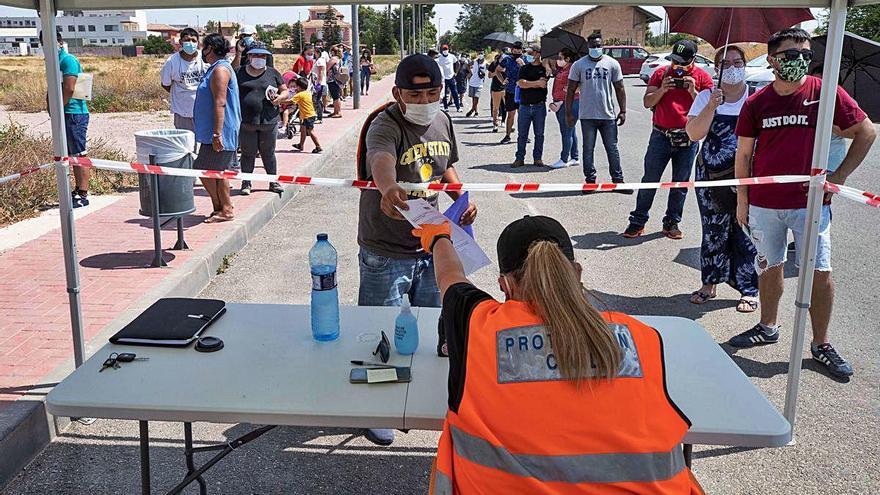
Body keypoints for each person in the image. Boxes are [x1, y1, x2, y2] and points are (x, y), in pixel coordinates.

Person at [415, 215, 704, 495]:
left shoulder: (476, 327)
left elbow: (450, 276)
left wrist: (440, 237)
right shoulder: (640, 337)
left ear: (505, 285)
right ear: (576, 272)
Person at [731, 28, 876, 378]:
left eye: (806, 55)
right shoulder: (757, 102)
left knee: (820, 272)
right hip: (765, 205)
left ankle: (821, 344)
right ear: (772, 60)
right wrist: (743, 200)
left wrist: (838, 178)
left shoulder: (825, 94)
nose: (800, 61)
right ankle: (768, 327)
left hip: (811, 205)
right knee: (769, 267)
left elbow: (866, 131)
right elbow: (745, 155)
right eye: (791, 54)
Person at [356, 54, 477, 446]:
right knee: (382, 334)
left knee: (433, 330)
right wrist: (388, 186)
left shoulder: (442, 119)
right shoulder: (385, 124)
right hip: (386, 248)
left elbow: (445, 167)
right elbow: (381, 158)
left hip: (430, 243)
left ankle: (425, 400)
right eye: (415, 93)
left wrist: (461, 194)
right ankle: (378, 409)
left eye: (432, 91)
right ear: (397, 93)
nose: (424, 99)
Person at [685, 45, 758, 313]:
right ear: (716, 69)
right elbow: (693, 134)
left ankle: (749, 289)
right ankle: (709, 283)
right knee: (713, 230)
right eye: (725, 64)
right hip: (711, 176)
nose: (732, 68)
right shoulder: (706, 96)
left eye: (738, 62)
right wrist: (712, 106)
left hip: (747, 176)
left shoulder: (756, 98)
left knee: (746, 231)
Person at [624, 39, 713, 239]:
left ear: (693, 60)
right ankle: (637, 221)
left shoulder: (703, 77)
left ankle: (672, 222)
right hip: (661, 136)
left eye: (682, 62)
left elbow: (708, 109)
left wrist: (694, 92)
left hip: (687, 138)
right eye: (674, 61)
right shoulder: (661, 73)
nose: (678, 66)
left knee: (680, 183)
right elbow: (647, 102)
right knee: (649, 180)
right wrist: (662, 89)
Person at [566, 33, 629, 192]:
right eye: (593, 46)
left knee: (612, 148)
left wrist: (623, 110)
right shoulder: (579, 65)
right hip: (587, 116)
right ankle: (590, 181)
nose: (596, 48)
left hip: (608, 115)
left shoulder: (612, 64)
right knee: (588, 149)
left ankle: (617, 181)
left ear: (603, 46)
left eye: (598, 45)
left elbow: (619, 88)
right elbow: (571, 90)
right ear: (588, 46)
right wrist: (568, 113)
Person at [193, 33, 240, 223]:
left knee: (204, 169)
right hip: (213, 130)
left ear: (210, 48)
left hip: (221, 130)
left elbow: (220, 103)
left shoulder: (220, 70)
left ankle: (225, 208)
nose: (201, 51)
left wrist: (217, 133)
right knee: (217, 170)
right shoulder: (214, 69)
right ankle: (220, 207)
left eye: (203, 47)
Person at [46, 31, 91, 208]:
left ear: (58, 42)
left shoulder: (67, 60)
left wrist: (57, 109)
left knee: (79, 152)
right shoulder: (53, 62)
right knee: (70, 154)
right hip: (64, 112)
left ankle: (83, 192)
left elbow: (69, 88)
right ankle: (77, 188)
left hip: (74, 113)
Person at [236, 41, 287, 196]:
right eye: (255, 55)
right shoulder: (238, 73)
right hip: (246, 122)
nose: (259, 58)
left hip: (268, 121)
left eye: (262, 55)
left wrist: (280, 98)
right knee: (247, 153)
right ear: (249, 56)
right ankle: (246, 182)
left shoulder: (273, 73)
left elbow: (284, 91)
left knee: (268, 153)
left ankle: (273, 181)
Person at [160, 28, 207, 133]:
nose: (190, 43)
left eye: (194, 41)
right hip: (182, 112)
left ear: (198, 42)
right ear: (181, 42)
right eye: (187, 40)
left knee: (204, 145)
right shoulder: (172, 62)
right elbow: (166, 84)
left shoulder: (205, 58)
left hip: (204, 110)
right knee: (185, 144)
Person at [512, 45, 548, 168]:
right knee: (522, 134)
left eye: (531, 53)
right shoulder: (524, 68)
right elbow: (521, 84)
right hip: (525, 106)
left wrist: (530, 83)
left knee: (539, 134)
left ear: (537, 54)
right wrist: (536, 83)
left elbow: (543, 84)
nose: (528, 55)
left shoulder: (544, 69)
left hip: (539, 106)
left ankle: (537, 158)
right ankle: (519, 158)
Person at [548, 49, 579, 170]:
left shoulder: (572, 69)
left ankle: (564, 159)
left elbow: (576, 85)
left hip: (568, 103)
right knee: (571, 131)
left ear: (567, 59)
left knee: (566, 131)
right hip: (561, 103)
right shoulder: (563, 69)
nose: (558, 60)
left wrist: (562, 100)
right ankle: (575, 157)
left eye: (560, 58)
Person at [499, 41, 525, 144]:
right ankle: (507, 135)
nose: (517, 51)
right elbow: (498, 70)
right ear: (512, 50)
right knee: (511, 114)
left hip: (523, 91)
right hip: (510, 90)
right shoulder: (507, 59)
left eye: (519, 50)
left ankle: (523, 136)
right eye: (515, 50)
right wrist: (503, 80)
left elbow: (530, 73)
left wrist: (523, 65)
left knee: (522, 115)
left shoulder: (526, 59)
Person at [291, 77, 322, 153]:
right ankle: (301, 145)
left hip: (307, 116)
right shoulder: (307, 93)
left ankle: (318, 146)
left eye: (296, 86)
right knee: (303, 130)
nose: (295, 88)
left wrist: (280, 101)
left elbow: (290, 101)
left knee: (311, 131)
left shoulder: (299, 95)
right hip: (308, 115)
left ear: (299, 87)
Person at [487, 52, 507, 132]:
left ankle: (503, 121)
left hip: (506, 89)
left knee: (507, 106)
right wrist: (497, 72)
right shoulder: (494, 64)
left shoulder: (508, 64)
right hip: (496, 88)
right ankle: (495, 124)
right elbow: (489, 75)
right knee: (495, 108)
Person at [437, 45, 460, 112]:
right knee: (444, 93)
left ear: (448, 49)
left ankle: (458, 107)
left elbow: (457, 63)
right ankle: (445, 107)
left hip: (451, 77)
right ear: (442, 50)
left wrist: (456, 72)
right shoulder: (439, 58)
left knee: (455, 92)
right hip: (443, 78)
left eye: (446, 49)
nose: (445, 50)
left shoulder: (452, 56)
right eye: (444, 49)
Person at [465, 51, 486, 117]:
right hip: (472, 82)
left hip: (479, 83)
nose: (480, 55)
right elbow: (468, 65)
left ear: (484, 54)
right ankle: (476, 111)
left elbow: (491, 69)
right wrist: (470, 72)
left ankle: (472, 110)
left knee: (476, 98)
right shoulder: (474, 61)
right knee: (473, 98)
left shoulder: (485, 63)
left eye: (481, 54)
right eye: (479, 53)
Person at [325, 46, 343, 118]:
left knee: (335, 96)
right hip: (337, 80)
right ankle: (335, 111)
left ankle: (338, 112)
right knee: (335, 96)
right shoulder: (339, 59)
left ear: (332, 52)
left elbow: (327, 68)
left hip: (332, 80)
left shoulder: (333, 59)